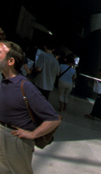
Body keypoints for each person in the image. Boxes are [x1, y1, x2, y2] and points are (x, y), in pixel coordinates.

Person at [0, 40, 61, 174]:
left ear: (10, 61)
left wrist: (33, 134)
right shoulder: (4, 80)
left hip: (16, 140)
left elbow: (54, 119)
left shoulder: (25, 86)